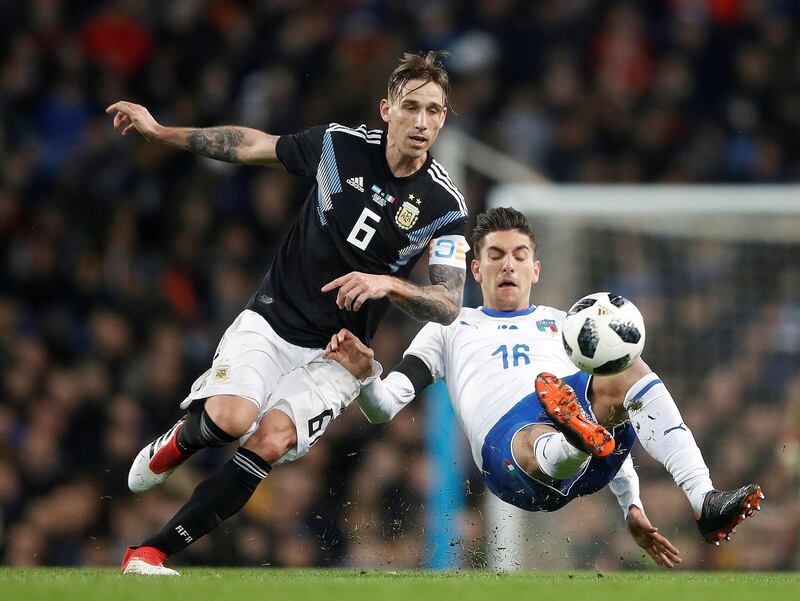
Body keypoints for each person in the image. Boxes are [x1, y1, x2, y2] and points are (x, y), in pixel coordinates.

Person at [107, 51, 470, 575]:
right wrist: (163, 133)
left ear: (442, 118)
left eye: (434, 110)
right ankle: (179, 441)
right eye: (410, 106)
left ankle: (149, 552)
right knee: (230, 419)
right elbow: (252, 144)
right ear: (386, 109)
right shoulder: (338, 146)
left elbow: (447, 303)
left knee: (270, 439)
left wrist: (388, 283)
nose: (421, 121)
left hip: (340, 356)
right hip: (273, 321)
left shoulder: (446, 206)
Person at [325, 207, 763, 568]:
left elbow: (615, 412)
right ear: (475, 269)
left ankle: (703, 499)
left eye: (519, 254)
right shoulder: (450, 327)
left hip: (589, 458)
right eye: (495, 255)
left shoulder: (568, 326)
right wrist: (365, 375)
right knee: (544, 425)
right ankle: (570, 436)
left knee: (627, 371)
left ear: (535, 268)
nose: (508, 264)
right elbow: (382, 407)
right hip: (510, 457)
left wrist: (633, 504)